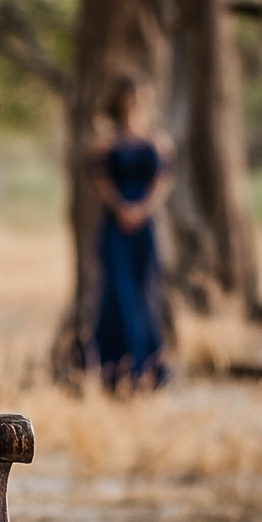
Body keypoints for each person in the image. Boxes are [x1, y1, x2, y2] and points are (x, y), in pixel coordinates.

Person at [87, 76, 172, 388]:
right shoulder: (105, 141)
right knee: (117, 294)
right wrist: (121, 207)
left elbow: (162, 181)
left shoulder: (158, 141)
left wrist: (141, 209)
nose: (134, 102)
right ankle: (116, 369)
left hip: (144, 227)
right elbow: (100, 180)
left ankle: (146, 368)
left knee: (144, 294)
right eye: (129, 97)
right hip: (114, 225)